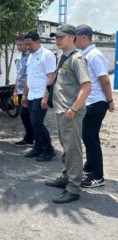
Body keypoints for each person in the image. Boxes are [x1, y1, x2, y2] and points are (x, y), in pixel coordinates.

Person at [45, 24, 91, 203]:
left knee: (73, 150)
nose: (57, 39)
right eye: (55, 36)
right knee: (66, 148)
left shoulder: (77, 58)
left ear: (72, 37)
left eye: (61, 36)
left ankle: (73, 188)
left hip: (70, 113)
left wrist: (73, 109)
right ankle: (67, 177)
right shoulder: (64, 57)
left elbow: (87, 86)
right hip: (61, 111)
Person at [75, 24, 115, 188]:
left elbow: (104, 80)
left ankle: (98, 177)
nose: (74, 41)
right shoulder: (86, 54)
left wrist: (110, 101)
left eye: (75, 38)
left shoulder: (94, 55)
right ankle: (90, 168)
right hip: (90, 102)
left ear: (83, 37)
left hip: (96, 102)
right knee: (89, 137)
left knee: (90, 139)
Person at [22, 32, 56, 161]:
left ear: (38, 42)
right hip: (31, 94)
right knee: (33, 123)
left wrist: (46, 97)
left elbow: (50, 78)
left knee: (37, 122)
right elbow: (28, 77)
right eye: (26, 45)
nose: (27, 47)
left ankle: (49, 149)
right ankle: (38, 148)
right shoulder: (30, 56)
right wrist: (24, 95)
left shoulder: (47, 55)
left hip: (41, 94)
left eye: (29, 44)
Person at [13, 34, 34, 146]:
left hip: (28, 91)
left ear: (26, 45)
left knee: (26, 114)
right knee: (24, 115)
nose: (19, 47)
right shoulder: (19, 58)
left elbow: (28, 76)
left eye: (20, 44)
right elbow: (18, 75)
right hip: (20, 90)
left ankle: (31, 137)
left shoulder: (30, 57)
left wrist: (25, 93)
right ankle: (29, 137)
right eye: (17, 45)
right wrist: (15, 89)